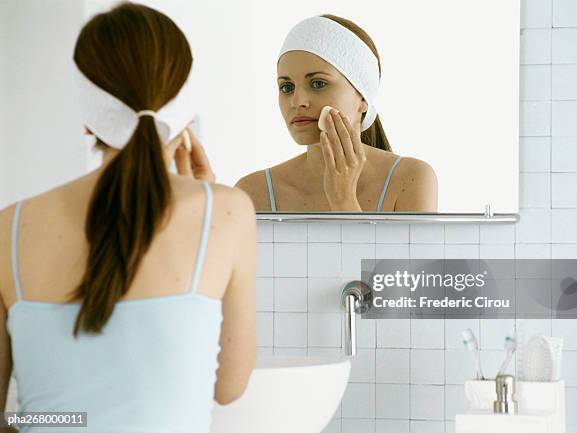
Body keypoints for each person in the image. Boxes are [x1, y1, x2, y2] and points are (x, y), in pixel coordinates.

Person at [0, 3, 256, 432]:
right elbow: (228, 388)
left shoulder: (10, 227)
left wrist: (51, 419)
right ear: (182, 108)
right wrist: (208, 198)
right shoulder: (227, 212)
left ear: (88, 118)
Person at [237, 14, 438, 212]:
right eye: (287, 87)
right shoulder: (252, 193)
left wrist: (343, 199)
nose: (297, 102)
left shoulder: (410, 180)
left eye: (318, 83)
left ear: (362, 98)